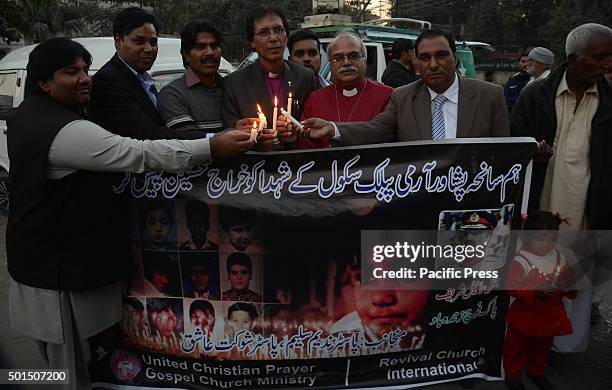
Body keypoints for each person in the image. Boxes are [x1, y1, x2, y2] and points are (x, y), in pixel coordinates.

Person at [6, 37, 251, 390]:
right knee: (71, 370)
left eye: (85, 70)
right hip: (59, 276)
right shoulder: (66, 131)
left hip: (44, 263)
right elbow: (139, 153)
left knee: (75, 360)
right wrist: (212, 145)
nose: (84, 78)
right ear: (43, 82)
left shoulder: (30, 114)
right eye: (70, 72)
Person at [511, 23, 612, 328]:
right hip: (541, 209)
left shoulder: (609, 101)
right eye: (599, 56)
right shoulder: (536, 95)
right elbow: (515, 146)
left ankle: (561, 346)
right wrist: (532, 152)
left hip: (589, 211)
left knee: (577, 293)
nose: (608, 63)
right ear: (573, 56)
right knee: (533, 284)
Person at [303, 29, 510, 144]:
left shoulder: (490, 96)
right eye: (425, 58)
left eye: (441, 56)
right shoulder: (402, 97)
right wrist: (333, 128)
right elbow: (377, 129)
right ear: (416, 63)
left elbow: (506, 153)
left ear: (454, 59)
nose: (434, 64)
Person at [89, 7, 203, 139]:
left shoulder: (143, 79)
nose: (149, 49)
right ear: (118, 41)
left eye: (153, 42)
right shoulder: (107, 82)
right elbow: (147, 135)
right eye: (139, 41)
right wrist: (210, 140)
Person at [222, 5, 318, 151]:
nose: (273, 38)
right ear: (252, 42)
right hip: (255, 168)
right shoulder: (234, 84)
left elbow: (315, 127)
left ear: (286, 36)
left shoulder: (305, 77)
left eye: (279, 30)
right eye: (264, 32)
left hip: (299, 166)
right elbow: (229, 135)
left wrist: (295, 132)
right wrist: (257, 141)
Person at [503, 212, 576, 390]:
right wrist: (535, 293)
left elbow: (569, 279)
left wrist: (567, 285)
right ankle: (512, 375)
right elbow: (511, 286)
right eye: (541, 239)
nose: (547, 244)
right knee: (515, 347)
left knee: (542, 347)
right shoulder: (522, 260)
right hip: (525, 315)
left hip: (549, 315)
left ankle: (537, 371)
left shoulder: (559, 257)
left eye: (552, 239)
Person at [297, 31, 393, 149]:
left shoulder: (388, 95)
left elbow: (387, 134)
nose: (346, 63)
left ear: (364, 60)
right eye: (338, 58)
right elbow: (306, 144)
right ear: (330, 64)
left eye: (353, 56)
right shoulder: (314, 100)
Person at [157, 20, 225, 137]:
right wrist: (236, 133)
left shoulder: (231, 87)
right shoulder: (172, 94)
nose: (210, 52)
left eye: (214, 46)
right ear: (186, 55)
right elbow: (190, 141)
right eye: (200, 47)